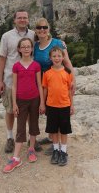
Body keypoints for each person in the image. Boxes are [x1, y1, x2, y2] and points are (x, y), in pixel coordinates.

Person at [33, 17, 75, 155]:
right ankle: (52, 138)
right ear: (36, 30)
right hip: (43, 83)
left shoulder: (57, 43)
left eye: (45, 27)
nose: (42, 30)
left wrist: (73, 80)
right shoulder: (35, 46)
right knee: (50, 112)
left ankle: (56, 145)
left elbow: (67, 63)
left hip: (58, 81)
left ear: (48, 29)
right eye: (39, 28)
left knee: (57, 112)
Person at [2, 38, 45, 173]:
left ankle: (31, 149)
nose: (26, 49)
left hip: (34, 99)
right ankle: (16, 158)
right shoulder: (16, 66)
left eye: (28, 46)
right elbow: (14, 86)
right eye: (23, 47)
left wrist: (42, 102)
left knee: (33, 125)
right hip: (20, 101)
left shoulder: (36, 65)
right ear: (19, 50)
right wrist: (14, 103)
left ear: (32, 49)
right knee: (20, 127)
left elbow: (39, 84)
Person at [0, 9, 35, 153]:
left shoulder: (33, 35)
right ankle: (9, 138)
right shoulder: (6, 36)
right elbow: (2, 59)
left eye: (25, 17)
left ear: (28, 19)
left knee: (29, 112)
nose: (22, 20)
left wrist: (61, 44)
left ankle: (31, 139)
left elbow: (46, 40)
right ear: (14, 20)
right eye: (19, 18)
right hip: (10, 80)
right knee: (10, 111)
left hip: (29, 80)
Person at [42, 46, 74, 166]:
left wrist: (72, 105)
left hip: (65, 105)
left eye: (59, 56)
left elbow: (70, 90)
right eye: (54, 56)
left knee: (64, 130)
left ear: (63, 57)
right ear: (50, 58)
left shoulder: (67, 72)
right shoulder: (47, 73)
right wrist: (42, 104)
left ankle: (63, 151)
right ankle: (56, 150)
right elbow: (44, 89)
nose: (57, 58)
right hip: (51, 105)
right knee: (53, 129)